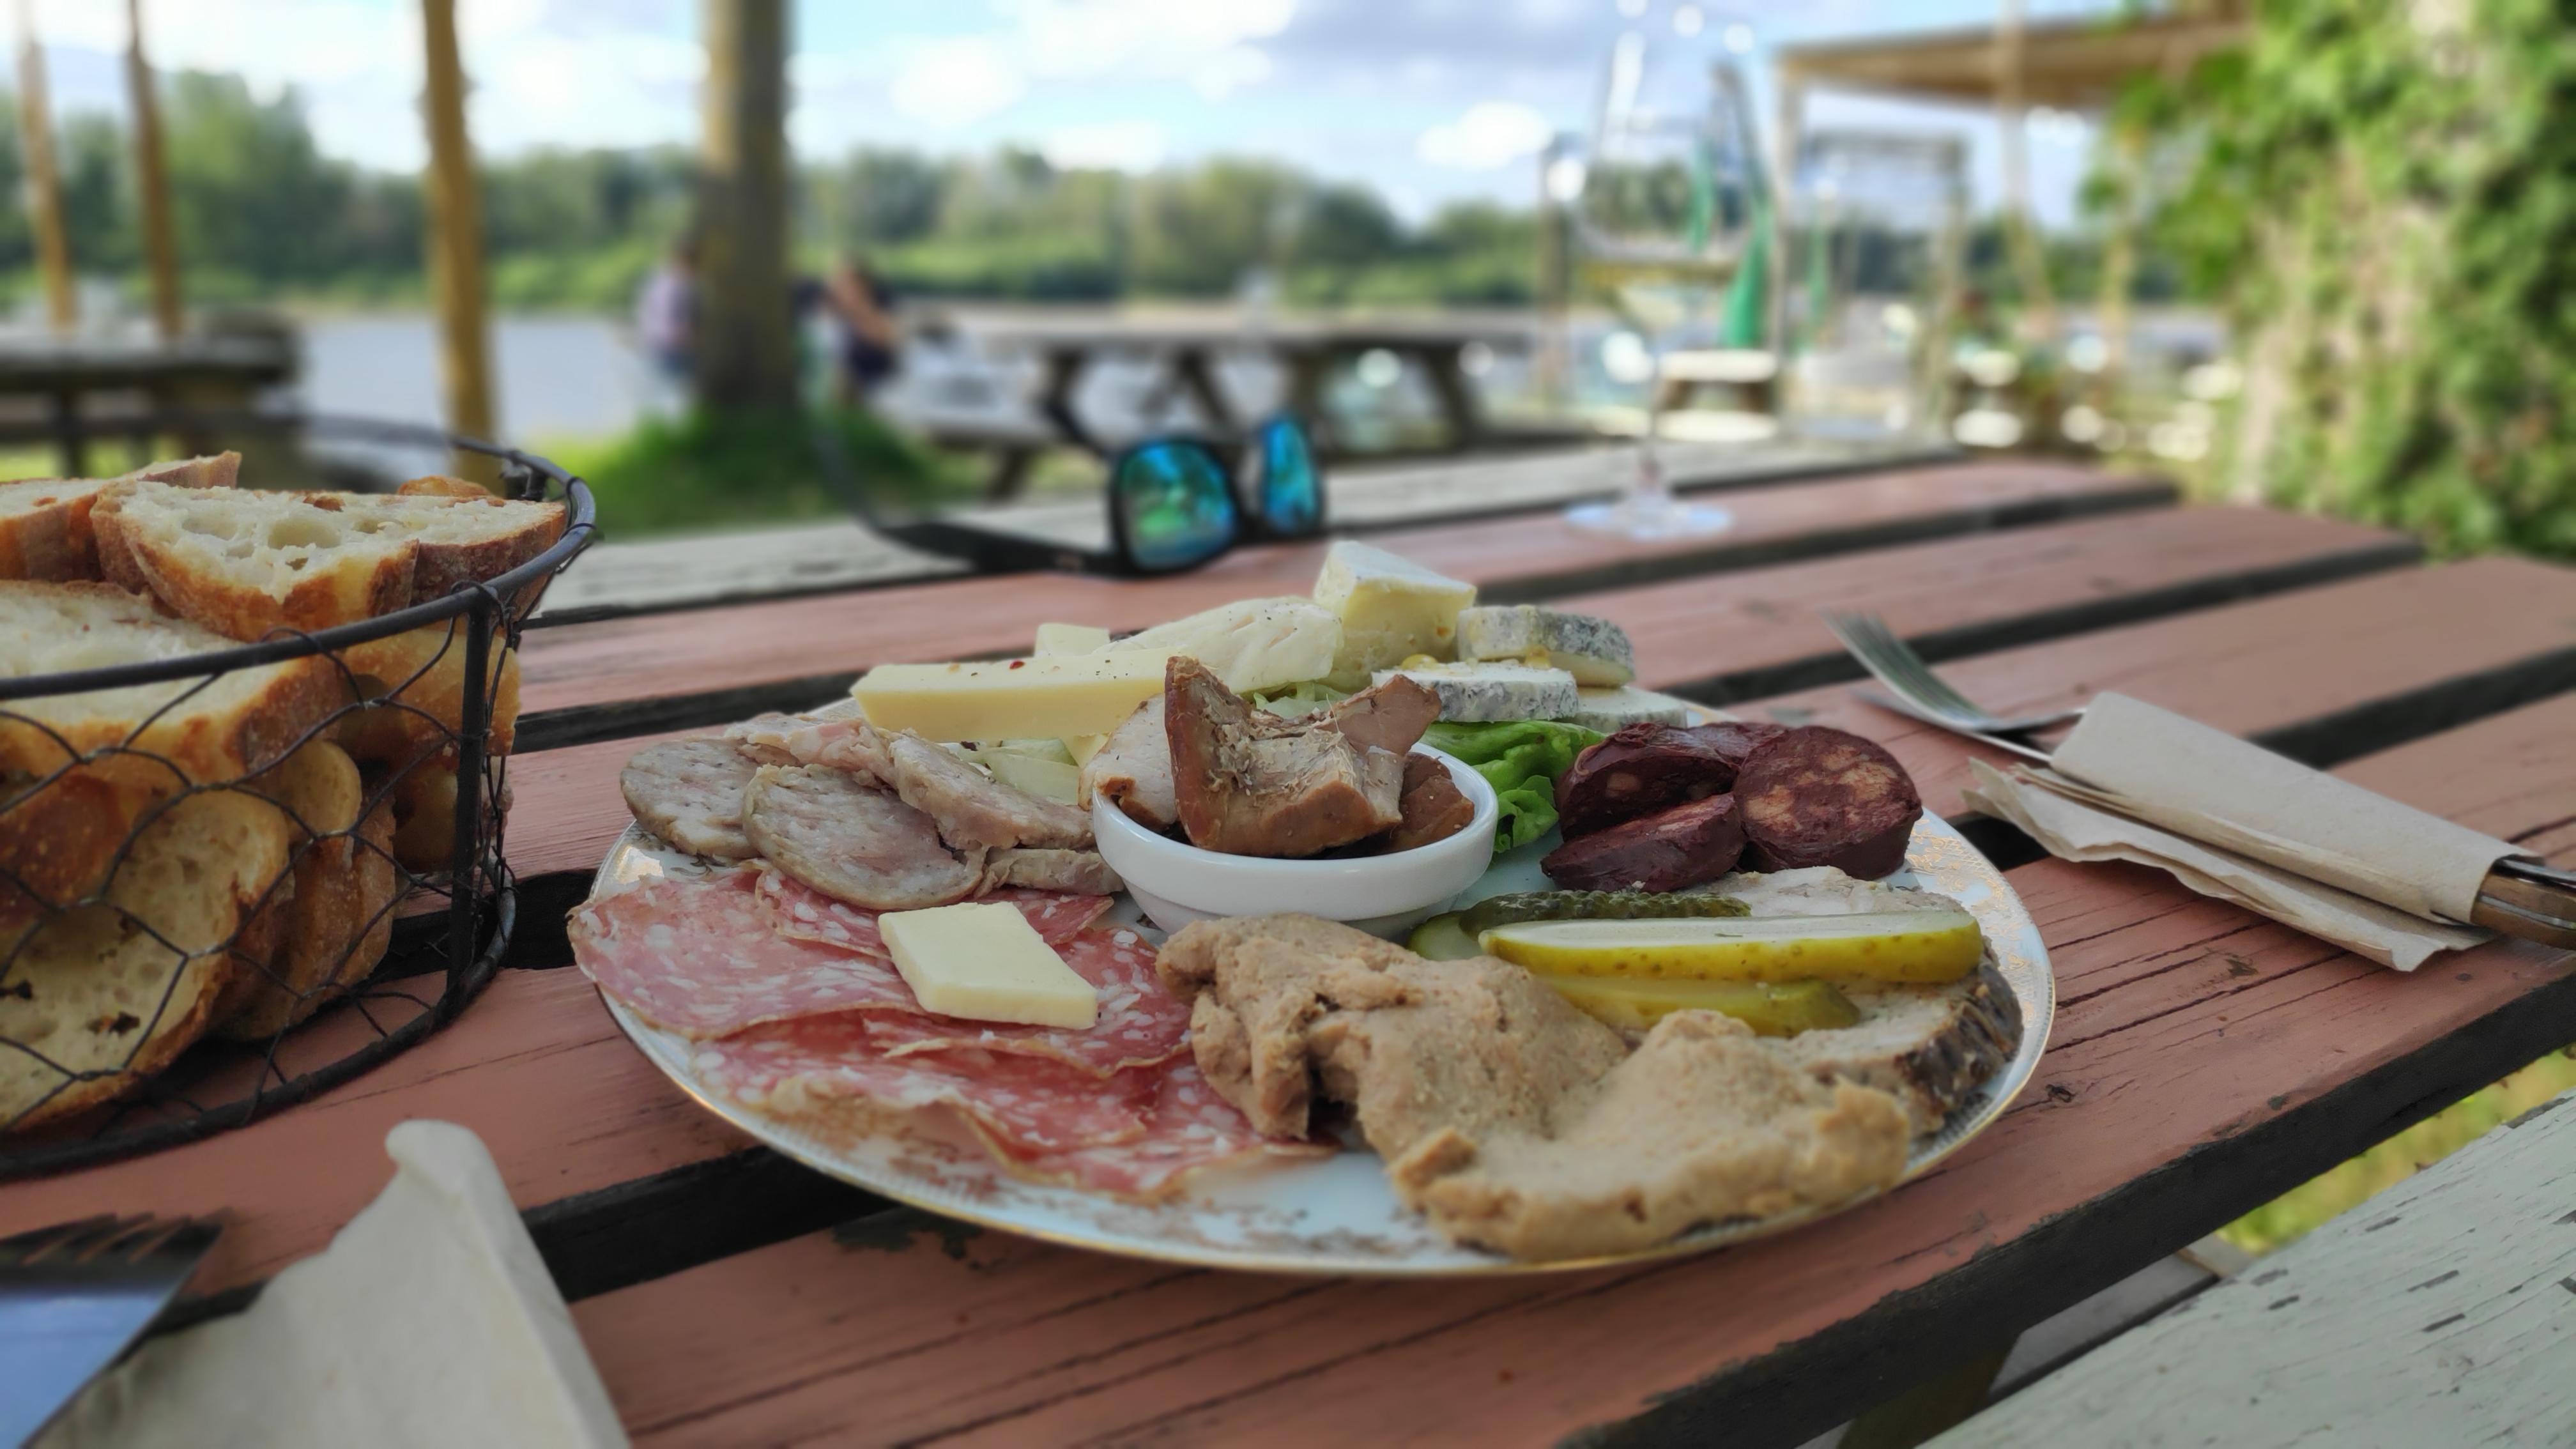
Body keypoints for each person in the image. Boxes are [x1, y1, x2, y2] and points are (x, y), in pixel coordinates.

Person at [822, 257, 901, 402]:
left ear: (864, 285)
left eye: (847, 282)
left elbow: (887, 338)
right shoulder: (833, 310)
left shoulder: (877, 306)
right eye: (837, 281)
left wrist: (857, 307)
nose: (839, 287)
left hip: (876, 387)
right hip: (844, 384)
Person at [635, 238, 697, 404]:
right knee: (674, 397)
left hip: (659, 346)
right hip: (668, 348)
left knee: (665, 395)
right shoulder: (671, 286)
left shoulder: (663, 283)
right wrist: (685, 338)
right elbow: (668, 320)